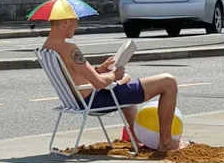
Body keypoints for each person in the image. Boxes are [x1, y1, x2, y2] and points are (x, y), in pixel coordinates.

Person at [42, 17, 189, 152]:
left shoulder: (46, 49)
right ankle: (166, 142)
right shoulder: (70, 49)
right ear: (66, 22)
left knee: (126, 83)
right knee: (169, 82)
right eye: (75, 22)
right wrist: (114, 75)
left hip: (77, 101)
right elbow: (99, 83)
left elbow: (73, 76)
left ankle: (137, 140)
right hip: (95, 101)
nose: (77, 26)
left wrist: (100, 69)